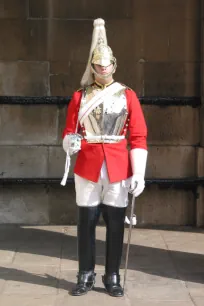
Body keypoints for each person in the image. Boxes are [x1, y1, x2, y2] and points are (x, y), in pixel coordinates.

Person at [61, 18, 148, 297]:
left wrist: (139, 173)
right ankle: (85, 273)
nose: (102, 69)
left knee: (114, 222)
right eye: (98, 66)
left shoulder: (128, 95)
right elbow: (70, 129)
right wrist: (69, 143)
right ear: (92, 67)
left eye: (106, 65)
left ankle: (112, 275)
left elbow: (138, 137)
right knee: (85, 222)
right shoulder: (79, 96)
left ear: (114, 65)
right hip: (87, 165)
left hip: (117, 166)